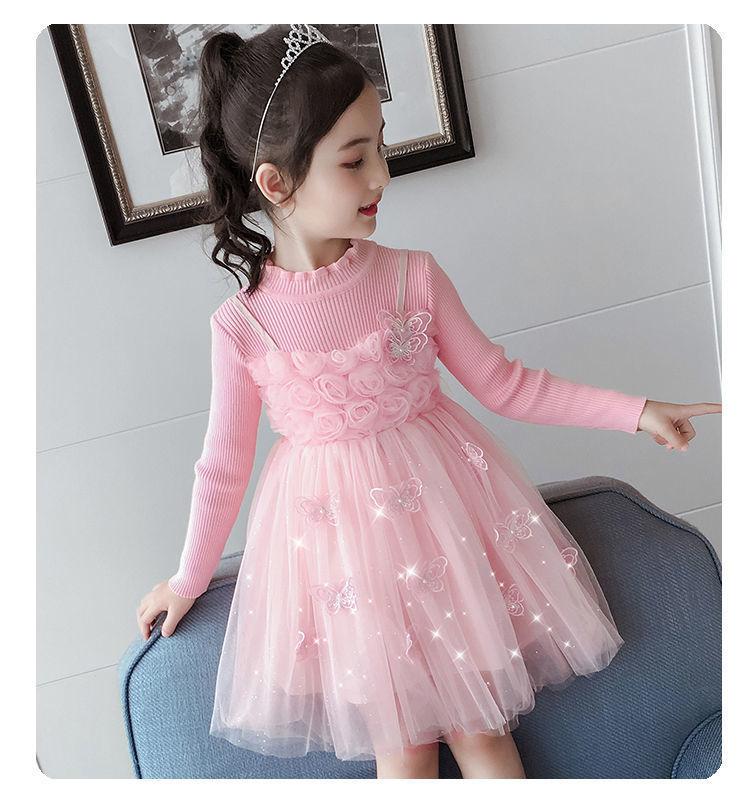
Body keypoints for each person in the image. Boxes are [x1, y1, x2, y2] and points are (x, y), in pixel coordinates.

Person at [136, 24, 722, 779]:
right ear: (277, 184)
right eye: (355, 159)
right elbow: (222, 468)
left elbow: (506, 384)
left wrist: (637, 411)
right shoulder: (242, 325)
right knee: (402, 747)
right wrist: (187, 580)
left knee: (482, 728)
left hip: (445, 540)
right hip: (342, 563)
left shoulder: (411, 276)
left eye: (381, 147)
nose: (382, 175)